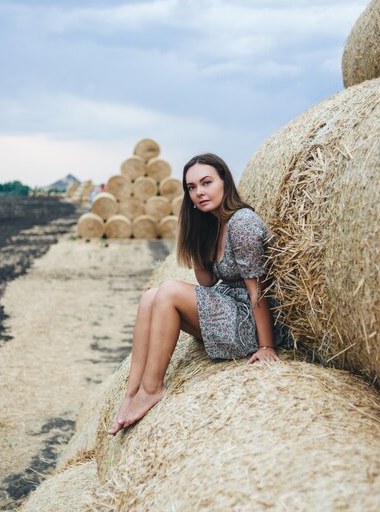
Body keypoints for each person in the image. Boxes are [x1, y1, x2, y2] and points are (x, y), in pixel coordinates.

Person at [108, 153, 292, 436]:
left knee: (168, 292)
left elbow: (259, 291)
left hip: (250, 321)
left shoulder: (242, 223)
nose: (199, 192)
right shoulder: (215, 222)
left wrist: (266, 347)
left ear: (224, 182)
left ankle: (152, 388)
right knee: (149, 297)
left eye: (206, 183)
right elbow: (206, 282)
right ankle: (132, 392)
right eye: (191, 188)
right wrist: (194, 232)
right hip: (229, 309)